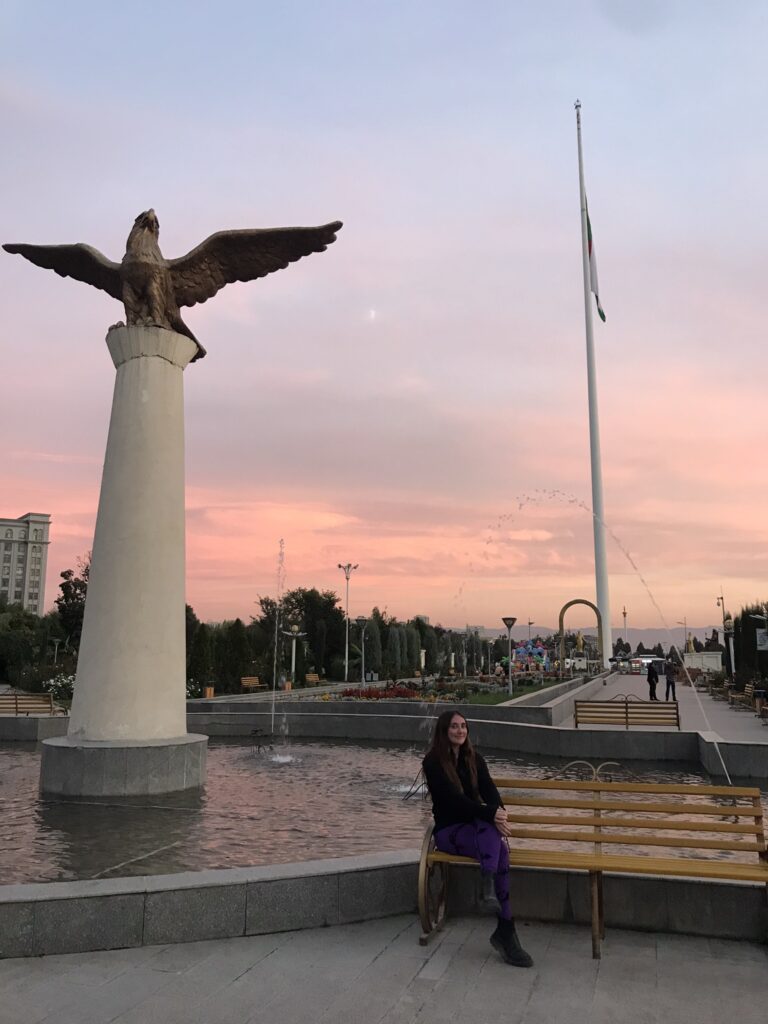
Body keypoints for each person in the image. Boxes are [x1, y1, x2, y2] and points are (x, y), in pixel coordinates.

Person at [422, 710, 533, 968]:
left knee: (497, 843)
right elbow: (453, 803)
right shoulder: (433, 762)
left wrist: (498, 813)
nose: (460, 731)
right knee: (496, 841)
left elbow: (490, 792)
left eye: (463, 726)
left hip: (476, 831)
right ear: (443, 731)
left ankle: (500, 916)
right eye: (454, 727)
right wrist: (491, 814)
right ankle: (504, 931)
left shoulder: (475, 759)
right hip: (450, 832)